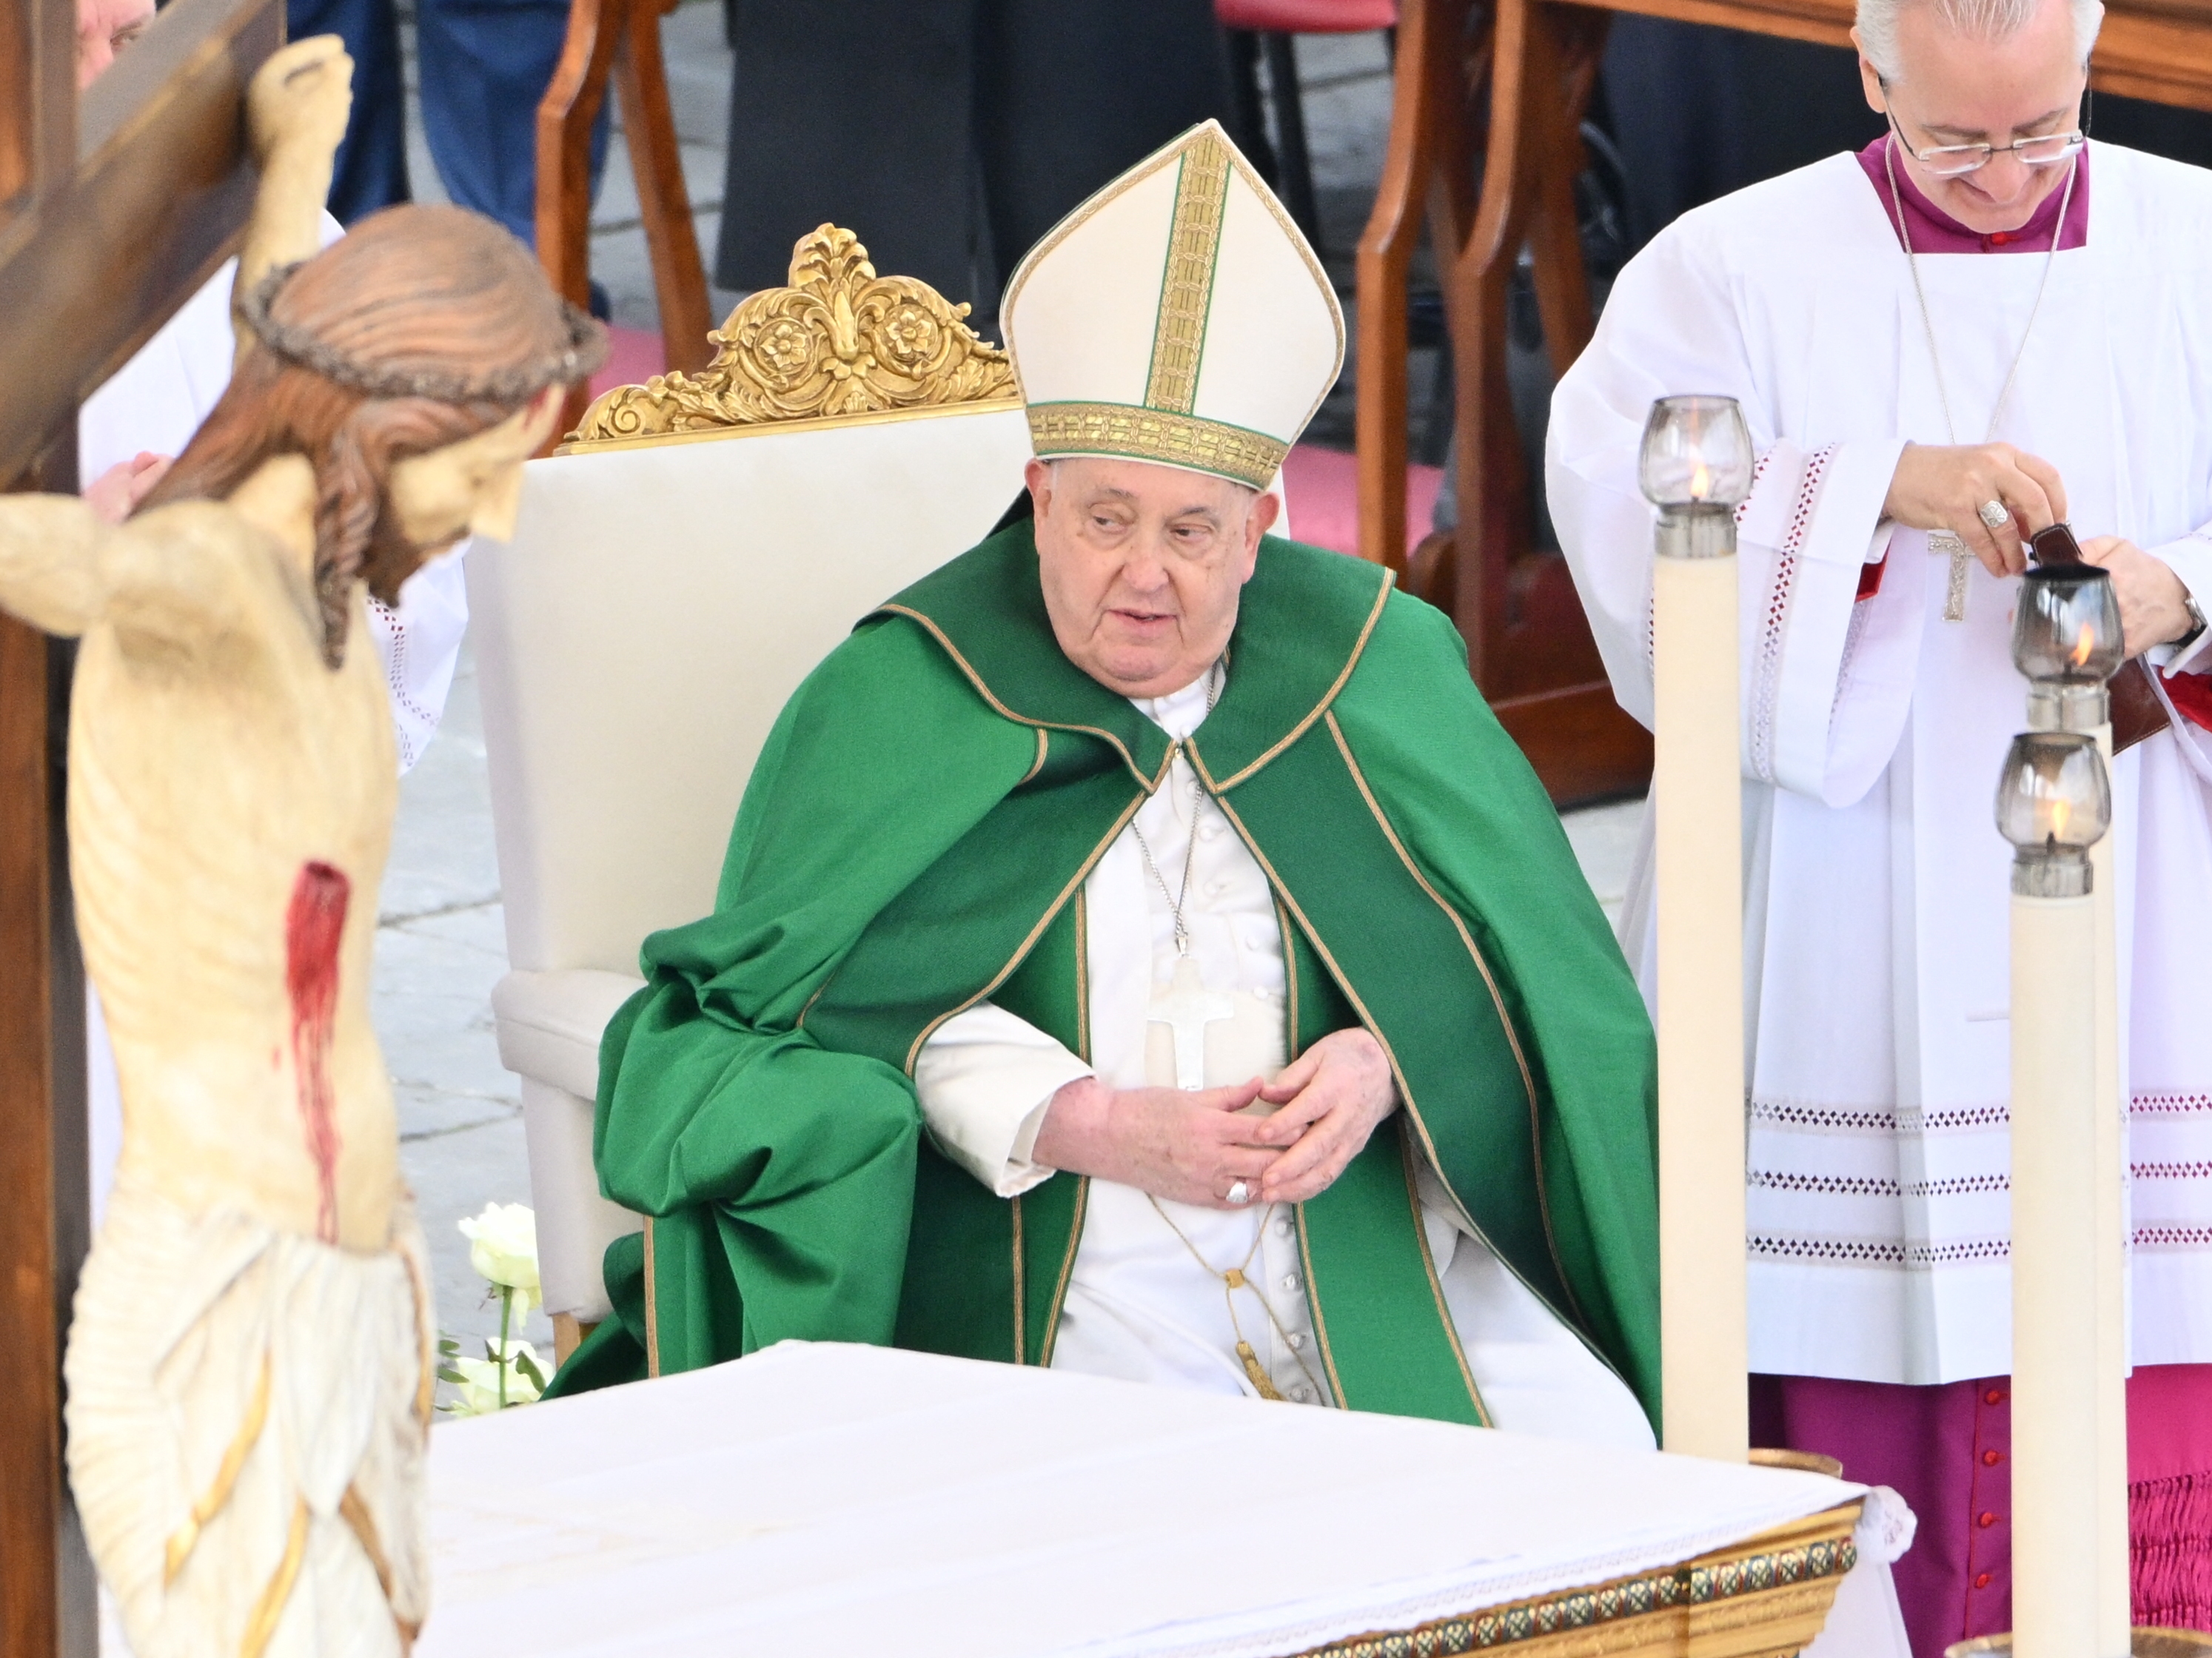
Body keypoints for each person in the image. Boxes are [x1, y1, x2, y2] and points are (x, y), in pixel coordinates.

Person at [552, 121, 1660, 1453]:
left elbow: (1546, 981)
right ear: (1036, 496)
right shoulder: (905, 695)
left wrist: (1390, 1066)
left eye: (1192, 531)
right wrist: (1079, 1121)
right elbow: (786, 1017)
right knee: (1157, 1526)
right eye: (1101, 520)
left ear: (1263, 529)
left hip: (1375, 1230)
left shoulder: (1381, 665)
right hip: (1054, 1249)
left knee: (1600, 1460)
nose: (1145, 574)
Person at [1548, 0, 2212, 1645]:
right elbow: (1639, 543)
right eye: (1956, 140)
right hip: (1841, 890)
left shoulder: (2196, 241)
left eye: (2041, 133)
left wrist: (2177, 589)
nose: (2002, 180)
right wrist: (1875, 490)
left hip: (2155, 880)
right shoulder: (1728, 271)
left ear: (2092, 71)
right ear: (1868, 77)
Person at [0, 38, 603, 1654]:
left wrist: (277, 168)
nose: (111, 52)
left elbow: (282, 337)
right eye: (67, 29)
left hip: (310, 1209)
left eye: (131, 27)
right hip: (178, 1193)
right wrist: (131, 558)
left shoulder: (263, 306)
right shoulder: (197, 578)